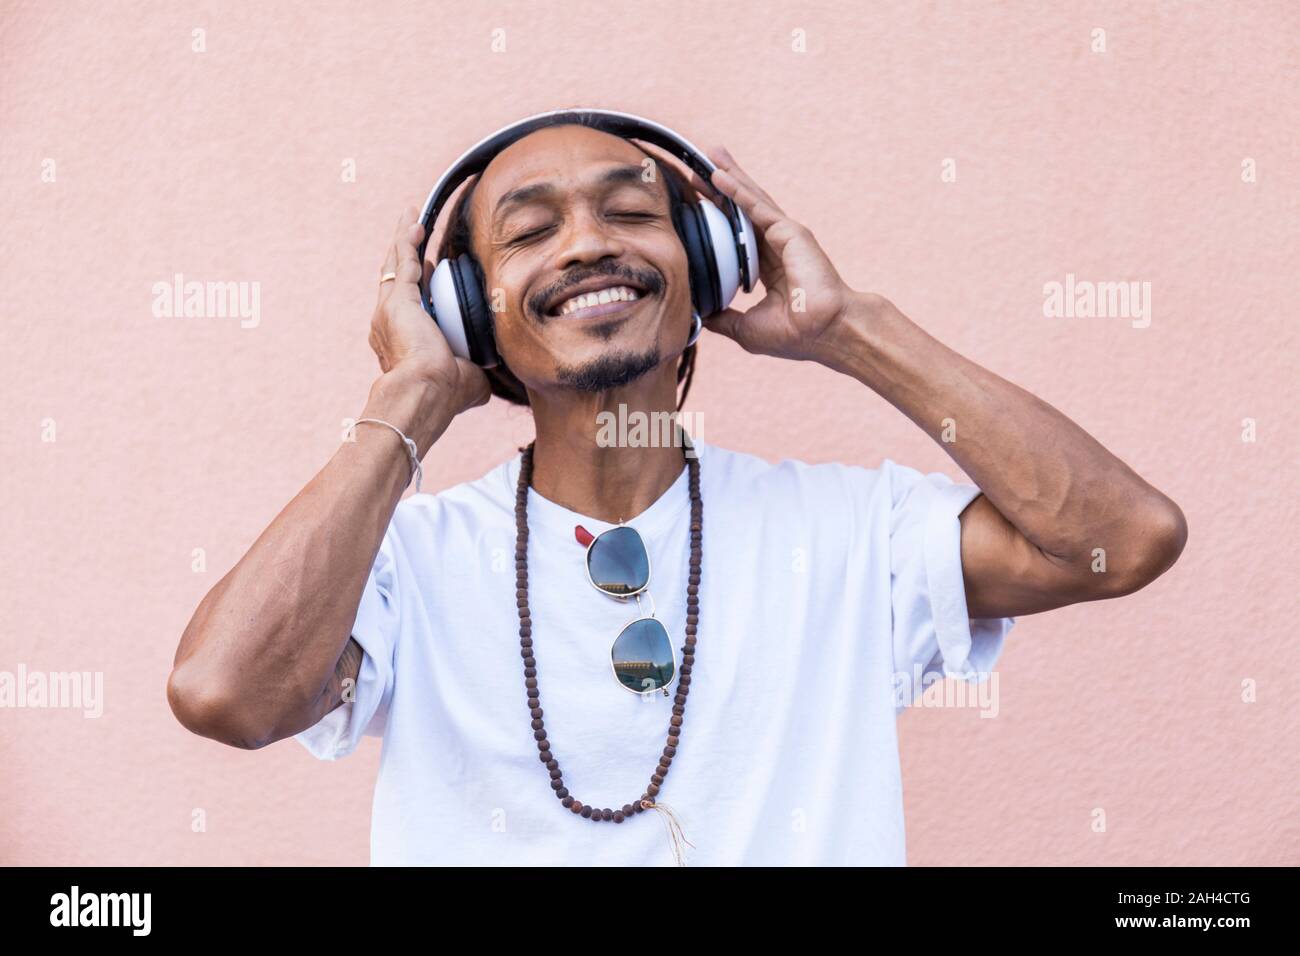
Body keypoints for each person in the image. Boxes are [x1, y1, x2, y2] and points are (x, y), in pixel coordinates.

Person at [166, 115, 1187, 866]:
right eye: (528, 234)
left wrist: (850, 330)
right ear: (469, 311)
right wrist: (410, 399)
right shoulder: (405, 563)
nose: (585, 244)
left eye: (629, 212)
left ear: (707, 262)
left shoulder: (848, 533)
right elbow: (224, 691)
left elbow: (1121, 536)